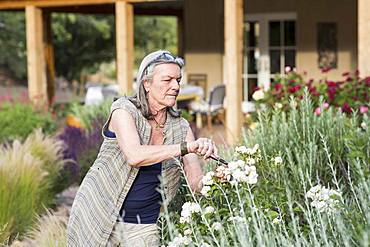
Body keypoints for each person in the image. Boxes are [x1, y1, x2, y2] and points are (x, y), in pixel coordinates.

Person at [67, 50, 218, 247]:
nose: (175, 86)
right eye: (167, 80)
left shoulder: (180, 127)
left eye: (178, 80)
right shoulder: (124, 110)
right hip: (98, 213)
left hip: (144, 224)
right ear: (147, 84)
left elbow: (195, 183)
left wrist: (216, 179)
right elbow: (134, 155)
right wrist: (186, 147)